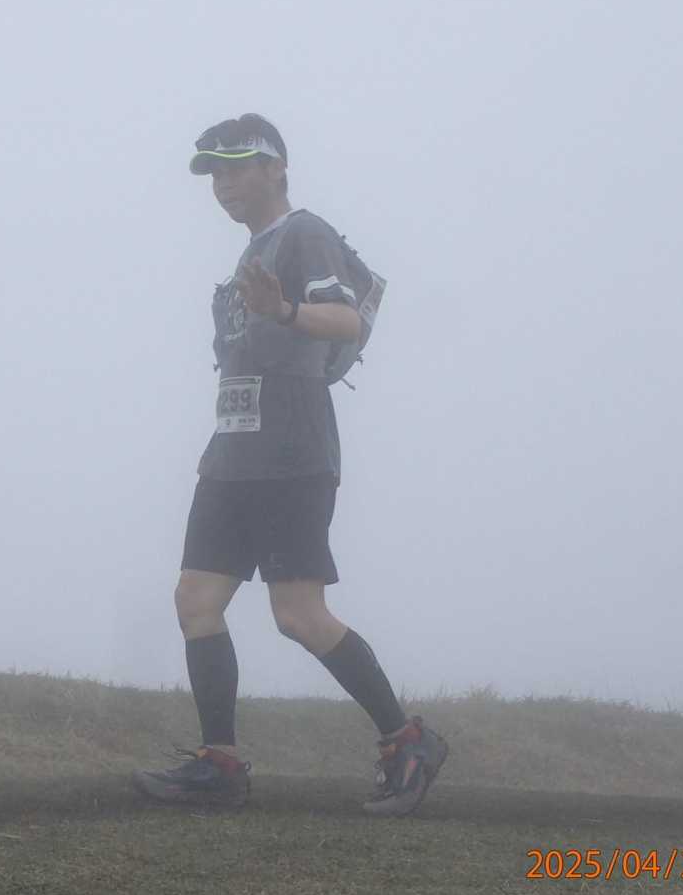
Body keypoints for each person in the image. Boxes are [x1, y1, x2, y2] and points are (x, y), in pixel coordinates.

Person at [131, 114, 447, 816]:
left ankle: (409, 741)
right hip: (233, 452)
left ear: (277, 168)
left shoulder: (304, 233)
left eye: (237, 165)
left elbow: (347, 321)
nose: (223, 182)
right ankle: (220, 764)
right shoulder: (250, 254)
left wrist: (284, 310)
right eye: (214, 171)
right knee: (196, 601)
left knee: (299, 614)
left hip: (292, 448)